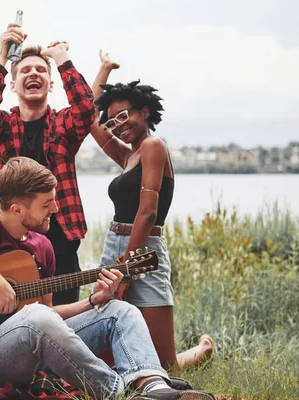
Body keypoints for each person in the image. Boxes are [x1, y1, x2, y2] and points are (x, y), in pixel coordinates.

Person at [0, 157, 215, 400]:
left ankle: (153, 385)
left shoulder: (41, 246)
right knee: (36, 318)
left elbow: (49, 314)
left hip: (36, 347)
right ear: (17, 208)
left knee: (118, 311)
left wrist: (91, 302)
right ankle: (119, 392)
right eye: (46, 204)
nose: (55, 209)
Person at [90, 51, 214, 370]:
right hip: (113, 247)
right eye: (113, 120)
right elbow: (88, 119)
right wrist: (102, 71)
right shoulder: (127, 156)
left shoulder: (153, 146)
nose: (118, 125)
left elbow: (147, 212)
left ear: (144, 112)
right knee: (103, 352)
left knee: (166, 366)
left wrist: (126, 271)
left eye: (124, 116)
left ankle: (200, 352)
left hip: (143, 250)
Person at [0, 23, 95, 306]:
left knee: (63, 323)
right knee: (7, 318)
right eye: (25, 70)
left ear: (51, 84)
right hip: (8, 241)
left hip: (60, 241)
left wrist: (61, 59)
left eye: (41, 70)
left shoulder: (64, 125)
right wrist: (2, 58)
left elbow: (86, 110)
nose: (33, 73)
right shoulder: (3, 128)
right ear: (13, 85)